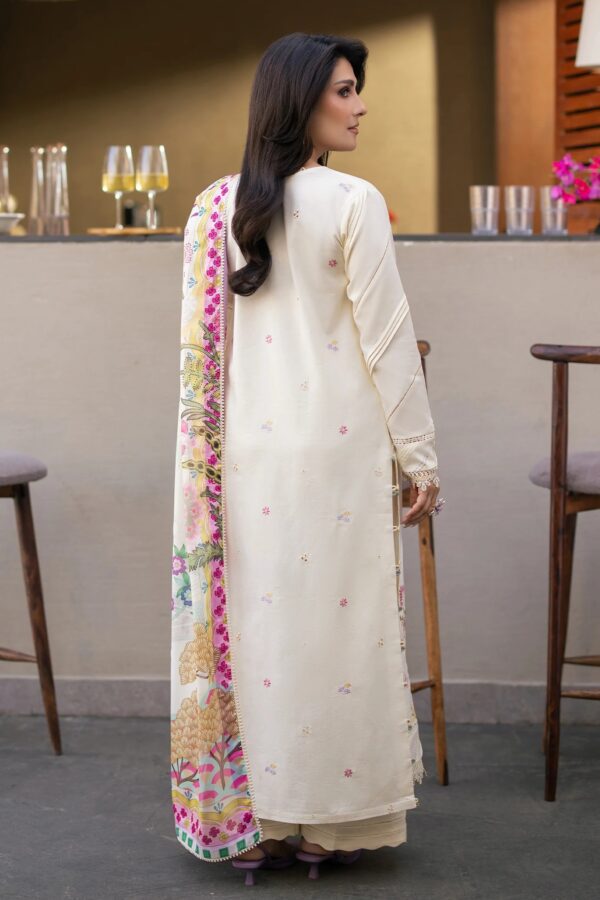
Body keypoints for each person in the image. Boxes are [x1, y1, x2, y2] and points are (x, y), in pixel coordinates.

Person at [170, 31, 442, 883]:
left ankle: (254, 824)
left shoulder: (214, 208)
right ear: (301, 100)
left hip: (242, 458)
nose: (360, 107)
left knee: (260, 639)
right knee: (339, 636)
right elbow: (387, 340)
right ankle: (327, 824)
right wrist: (421, 457)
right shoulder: (353, 200)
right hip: (337, 455)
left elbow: (199, 360)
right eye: (345, 90)